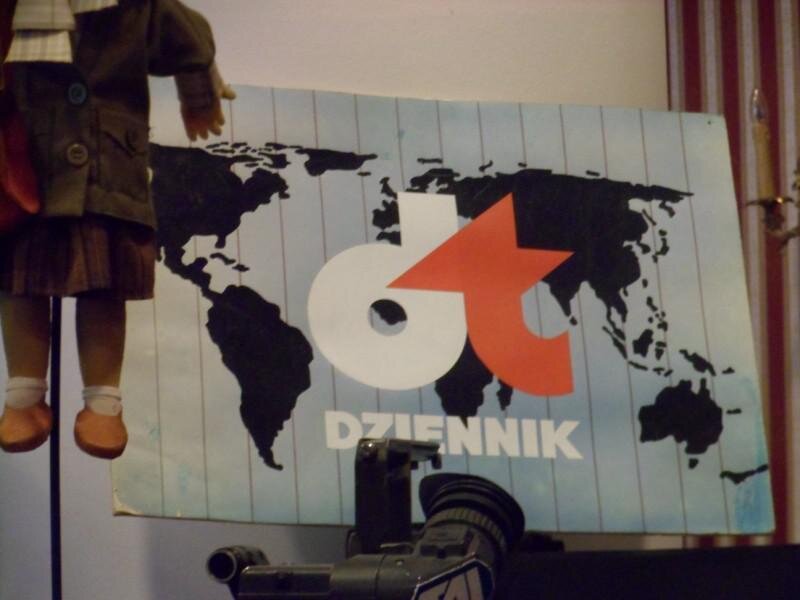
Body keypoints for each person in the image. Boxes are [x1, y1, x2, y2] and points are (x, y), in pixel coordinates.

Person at [0, 0, 235, 459]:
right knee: (20, 281)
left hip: (108, 169)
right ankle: (23, 395)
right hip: (25, 167)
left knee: (104, 287)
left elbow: (187, 33)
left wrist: (198, 91)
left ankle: (103, 403)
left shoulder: (136, 6)